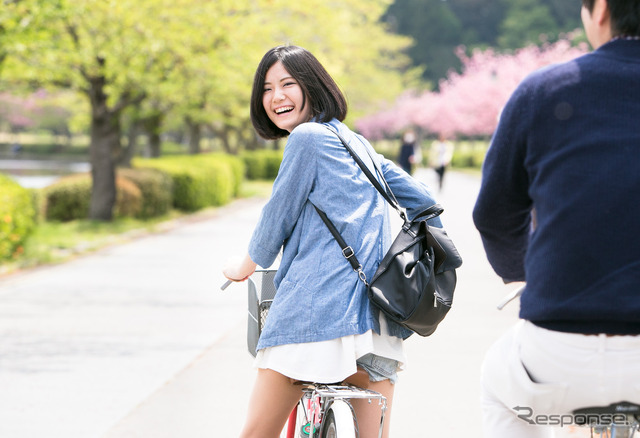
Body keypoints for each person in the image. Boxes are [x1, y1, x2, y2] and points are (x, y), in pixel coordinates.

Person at [223, 45, 442, 438]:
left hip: (315, 319)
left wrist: (244, 266)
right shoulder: (356, 143)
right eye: (267, 88)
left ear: (313, 85)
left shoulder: (306, 138)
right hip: (380, 326)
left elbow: (277, 216)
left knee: (256, 434)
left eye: (288, 84)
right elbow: (424, 200)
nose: (276, 97)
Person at [472, 0, 640, 436]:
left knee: (499, 386)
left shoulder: (545, 90)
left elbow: (494, 214)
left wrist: (523, 274)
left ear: (599, 9)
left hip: (560, 351)